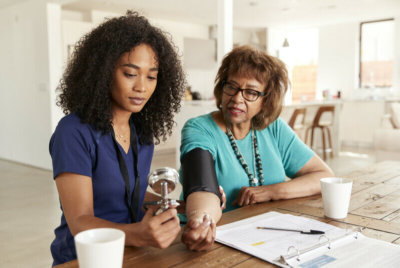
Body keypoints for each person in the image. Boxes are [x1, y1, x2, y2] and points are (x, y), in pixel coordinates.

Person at [49, 11, 186, 265]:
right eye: (130, 74)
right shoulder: (73, 132)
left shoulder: (142, 133)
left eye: (151, 76)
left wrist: (180, 203)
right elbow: (80, 222)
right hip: (83, 259)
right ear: (103, 73)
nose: (142, 87)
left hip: (131, 255)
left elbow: (127, 194)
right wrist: (140, 234)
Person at [180, 45, 334, 251]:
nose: (237, 98)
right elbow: (202, 187)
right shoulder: (199, 128)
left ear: (266, 100)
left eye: (251, 92)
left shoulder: (274, 128)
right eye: (231, 87)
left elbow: (323, 175)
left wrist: (270, 192)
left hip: (267, 237)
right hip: (216, 240)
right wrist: (201, 221)